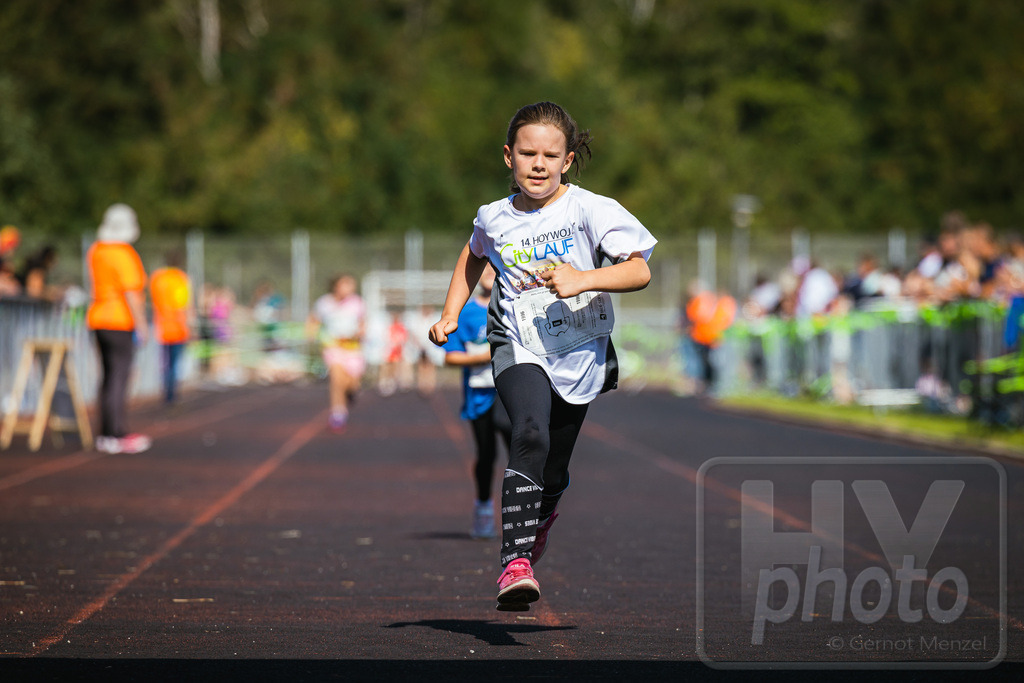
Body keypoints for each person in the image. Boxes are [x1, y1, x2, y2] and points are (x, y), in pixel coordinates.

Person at [428, 101, 656, 612]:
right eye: (527, 153)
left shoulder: (591, 210)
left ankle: (542, 516)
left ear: (567, 160)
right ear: (508, 157)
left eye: (550, 155)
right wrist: (449, 314)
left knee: (553, 469)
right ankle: (515, 564)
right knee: (527, 431)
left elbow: (638, 271)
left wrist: (584, 278)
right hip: (518, 340)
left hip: (578, 351)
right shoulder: (494, 216)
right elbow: (474, 253)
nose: (538, 164)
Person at [442, 263, 512, 540]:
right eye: (484, 271)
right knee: (487, 455)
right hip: (479, 393)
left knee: (518, 448)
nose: (490, 276)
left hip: (510, 390)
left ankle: (524, 514)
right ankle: (483, 506)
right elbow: (451, 356)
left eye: (494, 270)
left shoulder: (514, 306)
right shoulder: (467, 313)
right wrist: (486, 355)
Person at [86, 204, 151, 454]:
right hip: (119, 321)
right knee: (119, 377)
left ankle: (105, 433)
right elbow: (132, 293)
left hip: (98, 318)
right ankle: (116, 432)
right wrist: (142, 326)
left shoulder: (97, 250)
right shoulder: (123, 253)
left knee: (107, 377)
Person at [308, 274, 366, 432]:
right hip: (333, 347)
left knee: (352, 383)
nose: (350, 289)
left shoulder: (357, 303)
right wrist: (311, 334)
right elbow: (313, 320)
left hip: (352, 348)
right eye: (346, 285)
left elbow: (362, 324)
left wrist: (360, 333)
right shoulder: (324, 303)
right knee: (336, 379)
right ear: (336, 286)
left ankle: (351, 393)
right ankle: (338, 414)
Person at [149, 250, 194, 404]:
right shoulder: (180, 279)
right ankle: (171, 394)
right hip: (177, 328)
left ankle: (166, 391)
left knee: (164, 362)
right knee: (174, 363)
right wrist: (190, 325)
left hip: (160, 327)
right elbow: (183, 305)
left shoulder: (157, 278)